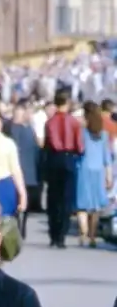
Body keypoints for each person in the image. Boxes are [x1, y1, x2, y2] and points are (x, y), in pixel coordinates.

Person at [43, 90, 84, 248]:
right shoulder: (74, 122)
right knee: (67, 199)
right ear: (67, 103)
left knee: (53, 198)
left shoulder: (50, 122)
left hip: (54, 158)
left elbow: (47, 143)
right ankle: (62, 235)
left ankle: (53, 234)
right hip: (69, 158)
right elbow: (80, 146)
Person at [76, 101, 113, 248]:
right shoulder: (103, 134)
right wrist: (109, 175)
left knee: (82, 205)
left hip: (83, 169)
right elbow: (107, 158)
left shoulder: (82, 133)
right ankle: (92, 235)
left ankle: (83, 233)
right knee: (95, 206)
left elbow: (79, 150)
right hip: (98, 171)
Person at [8, 99, 41, 236]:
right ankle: (17, 225)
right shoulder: (13, 129)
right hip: (17, 170)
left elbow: (35, 150)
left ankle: (22, 225)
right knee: (17, 199)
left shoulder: (29, 129)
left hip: (29, 170)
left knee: (25, 200)